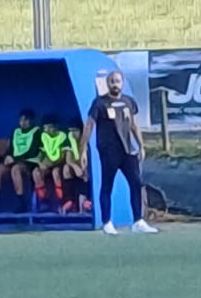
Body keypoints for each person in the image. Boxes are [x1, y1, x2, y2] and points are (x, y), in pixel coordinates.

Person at [84, 69, 156, 234]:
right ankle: (107, 222)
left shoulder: (129, 101)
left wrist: (141, 145)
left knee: (135, 183)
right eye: (112, 81)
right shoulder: (99, 103)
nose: (115, 84)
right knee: (107, 185)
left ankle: (138, 221)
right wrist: (83, 149)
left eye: (118, 81)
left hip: (128, 150)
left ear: (122, 83)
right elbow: (89, 125)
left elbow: (133, 125)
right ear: (107, 84)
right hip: (108, 151)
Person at [0, 109, 40, 211]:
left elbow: (33, 151)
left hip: (28, 162)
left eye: (26, 120)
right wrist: (8, 156)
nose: (23, 122)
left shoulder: (37, 132)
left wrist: (15, 158)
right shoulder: (15, 131)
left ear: (31, 121)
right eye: (21, 120)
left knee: (16, 169)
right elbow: (10, 148)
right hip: (13, 161)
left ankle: (20, 202)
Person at [34, 114, 72, 210]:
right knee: (36, 172)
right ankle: (43, 201)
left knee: (56, 173)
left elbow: (64, 156)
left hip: (59, 164)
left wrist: (50, 164)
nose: (46, 130)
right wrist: (40, 163)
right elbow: (40, 155)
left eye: (49, 127)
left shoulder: (63, 136)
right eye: (45, 127)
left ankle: (61, 201)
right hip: (47, 164)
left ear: (55, 127)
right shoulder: (43, 137)